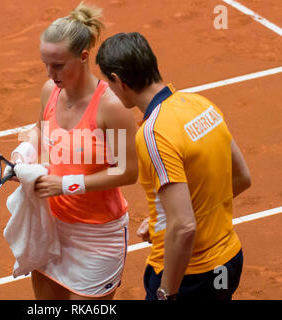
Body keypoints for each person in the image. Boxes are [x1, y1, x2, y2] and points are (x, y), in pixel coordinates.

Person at [96, 32, 251, 300]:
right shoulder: (201, 105)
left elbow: (184, 226)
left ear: (118, 81)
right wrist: (167, 220)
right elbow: (241, 178)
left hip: (190, 276)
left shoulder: (153, 134)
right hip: (228, 262)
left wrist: (166, 292)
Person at [6, 3, 138, 300]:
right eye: (46, 64)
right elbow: (40, 132)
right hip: (50, 227)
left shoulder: (110, 108)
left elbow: (127, 172)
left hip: (97, 238)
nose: (50, 73)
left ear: (83, 57)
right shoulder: (49, 91)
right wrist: (22, 156)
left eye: (58, 65)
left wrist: (64, 184)